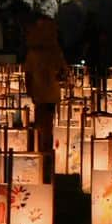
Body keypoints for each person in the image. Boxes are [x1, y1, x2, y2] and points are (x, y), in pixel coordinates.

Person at [23, 13, 66, 155]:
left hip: (41, 91)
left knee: (42, 121)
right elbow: (63, 72)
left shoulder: (34, 53)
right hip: (49, 91)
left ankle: (42, 148)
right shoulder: (54, 52)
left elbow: (28, 74)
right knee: (47, 122)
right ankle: (44, 148)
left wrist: (29, 89)